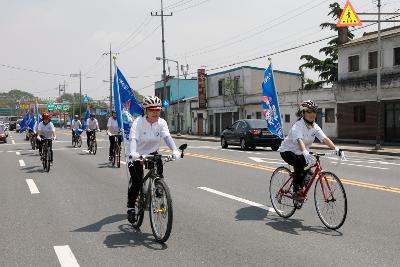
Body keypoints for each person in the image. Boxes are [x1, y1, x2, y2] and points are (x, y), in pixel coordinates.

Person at [126, 96, 180, 223]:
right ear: (146, 110)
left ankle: (158, 188)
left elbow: (167, 137)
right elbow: (133, 139)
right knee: (137, 182)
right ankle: (131, 207)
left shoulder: (161, 122)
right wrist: (133, 153)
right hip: (136, 155)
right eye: (152, 110)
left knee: (159, 172)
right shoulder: (138, 122)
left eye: (158, 110)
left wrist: (175, 150)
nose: (155, 112)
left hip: (152, 153)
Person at [278, 100, 345, 201]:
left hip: (301, 152)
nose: (312, 114)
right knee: (300, 164)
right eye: (309, 111)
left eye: (314, 111)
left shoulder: (315, 126)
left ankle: (301, 184)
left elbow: (325, 139)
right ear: (303, 113)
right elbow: (299, 140)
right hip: (287, 151)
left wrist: (336, 148)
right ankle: (296, 191)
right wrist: (305, 151)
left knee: (307, 169)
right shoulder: (298, 126)